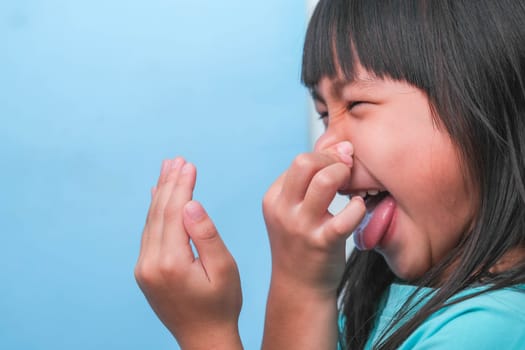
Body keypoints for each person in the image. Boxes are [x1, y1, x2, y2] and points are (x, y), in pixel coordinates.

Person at [134, 0, 525, 349]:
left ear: (489, 101)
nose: (325, 147)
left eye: (355, 104)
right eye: (324, 115)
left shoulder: (490, 331)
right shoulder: (372, 304)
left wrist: (210, 333)